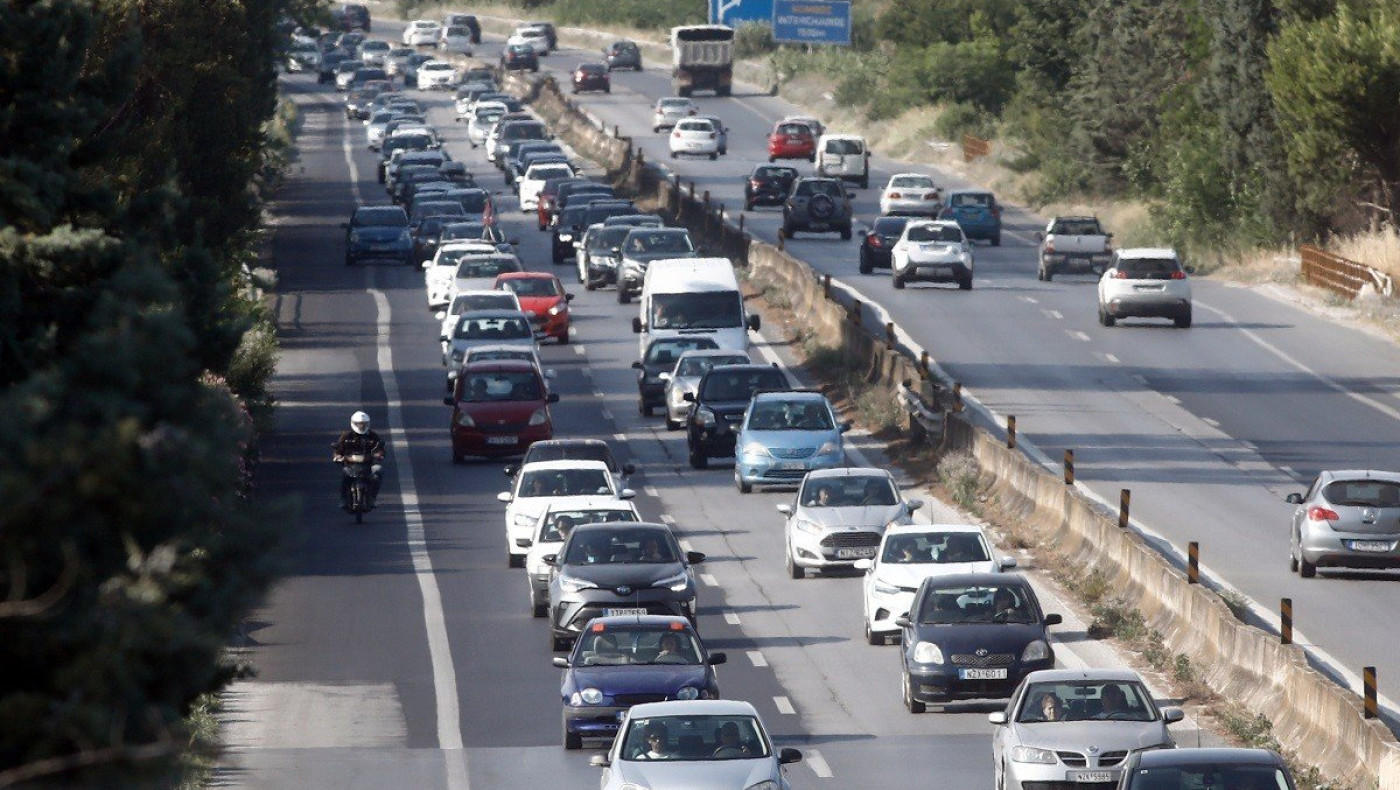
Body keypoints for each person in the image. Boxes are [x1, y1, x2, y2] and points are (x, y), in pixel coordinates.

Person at [333, 411, 386, 509]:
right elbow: (338, 449)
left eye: (363, 424)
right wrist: (338, 456)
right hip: (350, 465)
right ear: (354, 423)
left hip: (368, 465)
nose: (361, 426)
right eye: (359, 424)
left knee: (378, 470)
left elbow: (380, 448)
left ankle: (373, 498)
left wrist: (379, 454)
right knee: (345, 476)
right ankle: (344, 499)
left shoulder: (373, 436)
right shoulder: (346, 436)